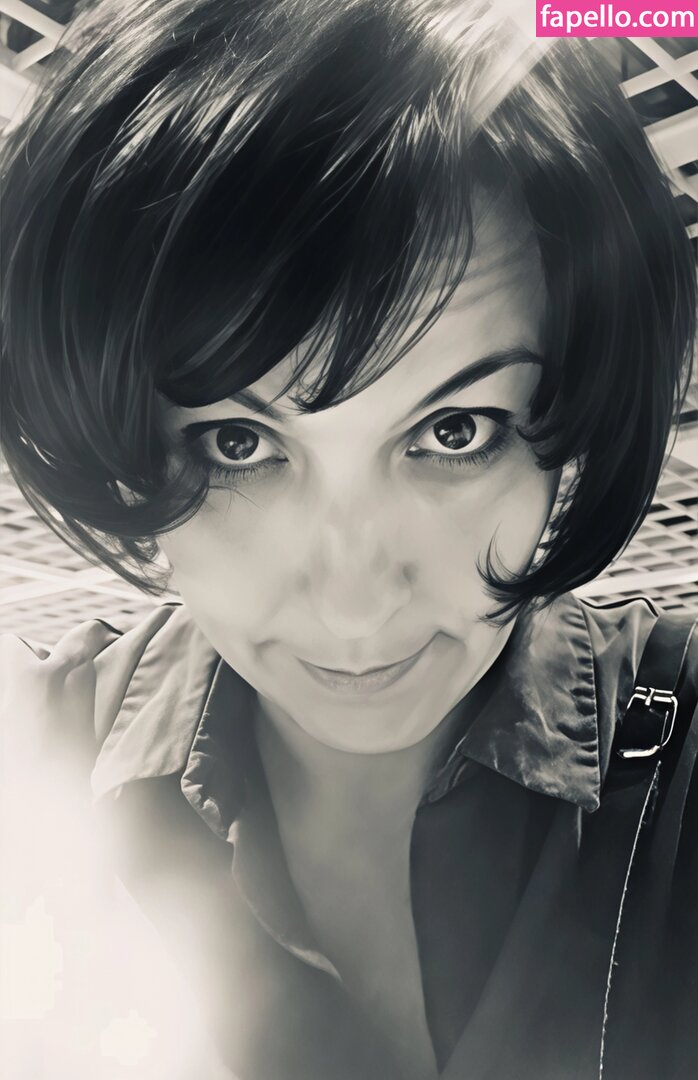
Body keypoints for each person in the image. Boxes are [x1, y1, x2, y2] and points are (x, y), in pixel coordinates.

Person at [1, 1, 696, 1078]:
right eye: (236, 443)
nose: (354, 605)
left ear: (563, 424)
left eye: (454, 431)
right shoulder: (29, 787)